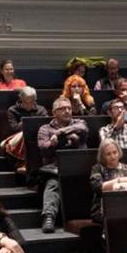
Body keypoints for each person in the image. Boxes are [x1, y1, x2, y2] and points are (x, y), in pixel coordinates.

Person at [36, 98, 89, 233]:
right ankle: (49, 217)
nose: (67, 111)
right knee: (53, 184)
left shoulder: (79, 123)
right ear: (54, 112)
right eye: (63, 108)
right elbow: (42, 147)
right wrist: (52, 144)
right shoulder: (45, 129)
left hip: (80, 167)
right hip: (56, 168)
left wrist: (60, 133)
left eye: (69, 108)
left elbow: (82, 128)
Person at [90, 139, 127, 223]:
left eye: (115, 152)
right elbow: (97, 187)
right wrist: (119, 180)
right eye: (108, 154)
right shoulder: (97, 169)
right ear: (102, 156)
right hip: (103, 209)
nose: (113, 156)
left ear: (119, 152)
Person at [0, 87, 46, 168]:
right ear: (20, 99)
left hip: (36, 136)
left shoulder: (41, 110)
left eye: (31, 102)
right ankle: (22, 162)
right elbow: (13, 128)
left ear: (35, 100)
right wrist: (24, 124)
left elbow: (46, 126)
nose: (28, 105)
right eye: (25, 102)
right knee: (25, 134)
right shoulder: (12, 110)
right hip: (16, 138)